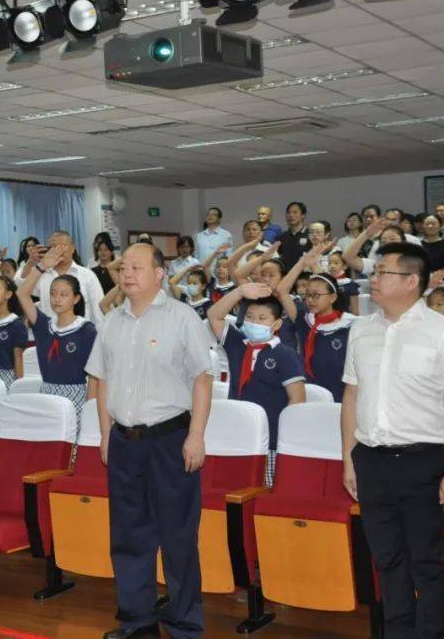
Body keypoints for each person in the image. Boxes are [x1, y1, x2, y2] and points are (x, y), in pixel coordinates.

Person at [341, 242, 444, 639]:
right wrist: (349, 460)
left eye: (383, 272)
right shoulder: (361, 329)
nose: (373, 279)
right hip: (370, 460)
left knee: (427, 562)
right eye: (375, 271)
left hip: (421, 462)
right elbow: (351, 397)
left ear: (411, 281)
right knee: (387, 559)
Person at [86, 242, 213, 639]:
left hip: (170, 440)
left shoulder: (182, 317)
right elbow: (102, 380)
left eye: (137, 267)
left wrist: (196, 435)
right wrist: (105, 434)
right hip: (124, 441)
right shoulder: (112, 321)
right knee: (128, 535)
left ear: (159, 274)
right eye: (124, 267)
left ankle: (185, 624)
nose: (127, 273)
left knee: (178, 536)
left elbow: (202, 379)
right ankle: (137, 621)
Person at [209, 283, 306, 485]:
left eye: (262, 319)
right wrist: (240, 292)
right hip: (236, 433)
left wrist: (284, 438)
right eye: (250, 317)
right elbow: (214, 315)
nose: (254, 322)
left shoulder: (285, 354)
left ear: (276, 325)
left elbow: (297, 399)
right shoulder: (237, 344)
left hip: (271, 439)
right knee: (236, 487)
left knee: (266, 488)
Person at [17, 253, 97, 425]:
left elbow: (94, 376)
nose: (57, 299)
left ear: (76, 298)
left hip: (75, 396)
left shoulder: (87, 330)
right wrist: (40, 267)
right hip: (46, 394)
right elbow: (22, 293)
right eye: (53, 294)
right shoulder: (43, 325)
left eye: (64, 294)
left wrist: (89, 410)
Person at [279, 254, 356, 403]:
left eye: (316, 295)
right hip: (309, 393)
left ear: (333, 297)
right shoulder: (305, 320)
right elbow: (282, 290)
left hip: (340, 396)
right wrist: (302, 262)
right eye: (308, 295)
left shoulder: (348, 325)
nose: (310, 300)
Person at [23, 231, 106, 326]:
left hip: (80, 332)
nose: (58, 250)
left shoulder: (87, 275)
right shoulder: (41, 274)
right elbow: (21, 289)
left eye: (62, 245)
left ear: (72, 248)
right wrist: (31, 263)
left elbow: (98, 311)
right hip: (49, 332)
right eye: (54, 246)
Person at [420, 214, 444, 286]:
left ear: (440, 226)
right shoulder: (419, 244)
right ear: (423, 226)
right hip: (423, 281)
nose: (430, 226)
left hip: (442, 281)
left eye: (433, 224)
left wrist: (435, 277)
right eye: (427, 224)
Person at [278, 201, 309, 271]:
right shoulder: (283, 236)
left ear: (303, 215)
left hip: (304, 275)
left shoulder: (310, 235)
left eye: (295, 212)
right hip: (286, 274)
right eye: (288, 212)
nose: (291, 215)